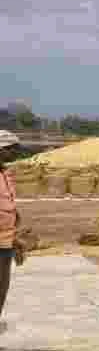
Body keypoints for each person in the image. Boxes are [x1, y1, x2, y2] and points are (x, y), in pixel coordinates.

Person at [0, 131, 22, 322]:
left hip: (6, 240)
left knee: (2, 284)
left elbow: (9, 206)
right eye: (13, 150)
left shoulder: (6, 174)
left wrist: (16, 236)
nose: (17, 154)